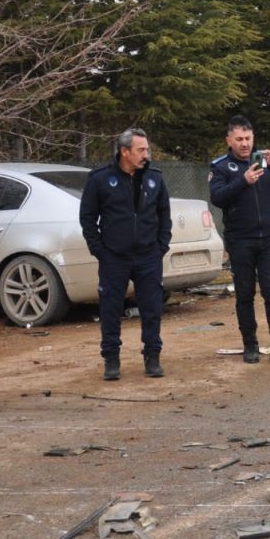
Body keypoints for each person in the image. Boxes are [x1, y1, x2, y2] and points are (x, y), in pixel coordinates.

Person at [79, 128, 172, 380]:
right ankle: (111, 360)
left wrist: (161, 246)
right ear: (124, 151)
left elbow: (164, 215)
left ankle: (152, 357)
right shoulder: (100, 179)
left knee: (152, 308)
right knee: (110, 309)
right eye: (141, 150)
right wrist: (100, 251)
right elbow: (87, 218)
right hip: (114, 258)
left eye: (147, 149)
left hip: (148, 256)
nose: (146, 155)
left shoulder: (155, 178)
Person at [209, 114, 270, 365]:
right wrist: (243, 181)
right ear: (229, 139)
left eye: (248, 138)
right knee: (245, 294)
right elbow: (217, 197)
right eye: (239, 139)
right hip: (240, 241)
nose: (244, 143)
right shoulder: (221, 167)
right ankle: (250, 345)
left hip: (269, 239)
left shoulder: (266, 161)